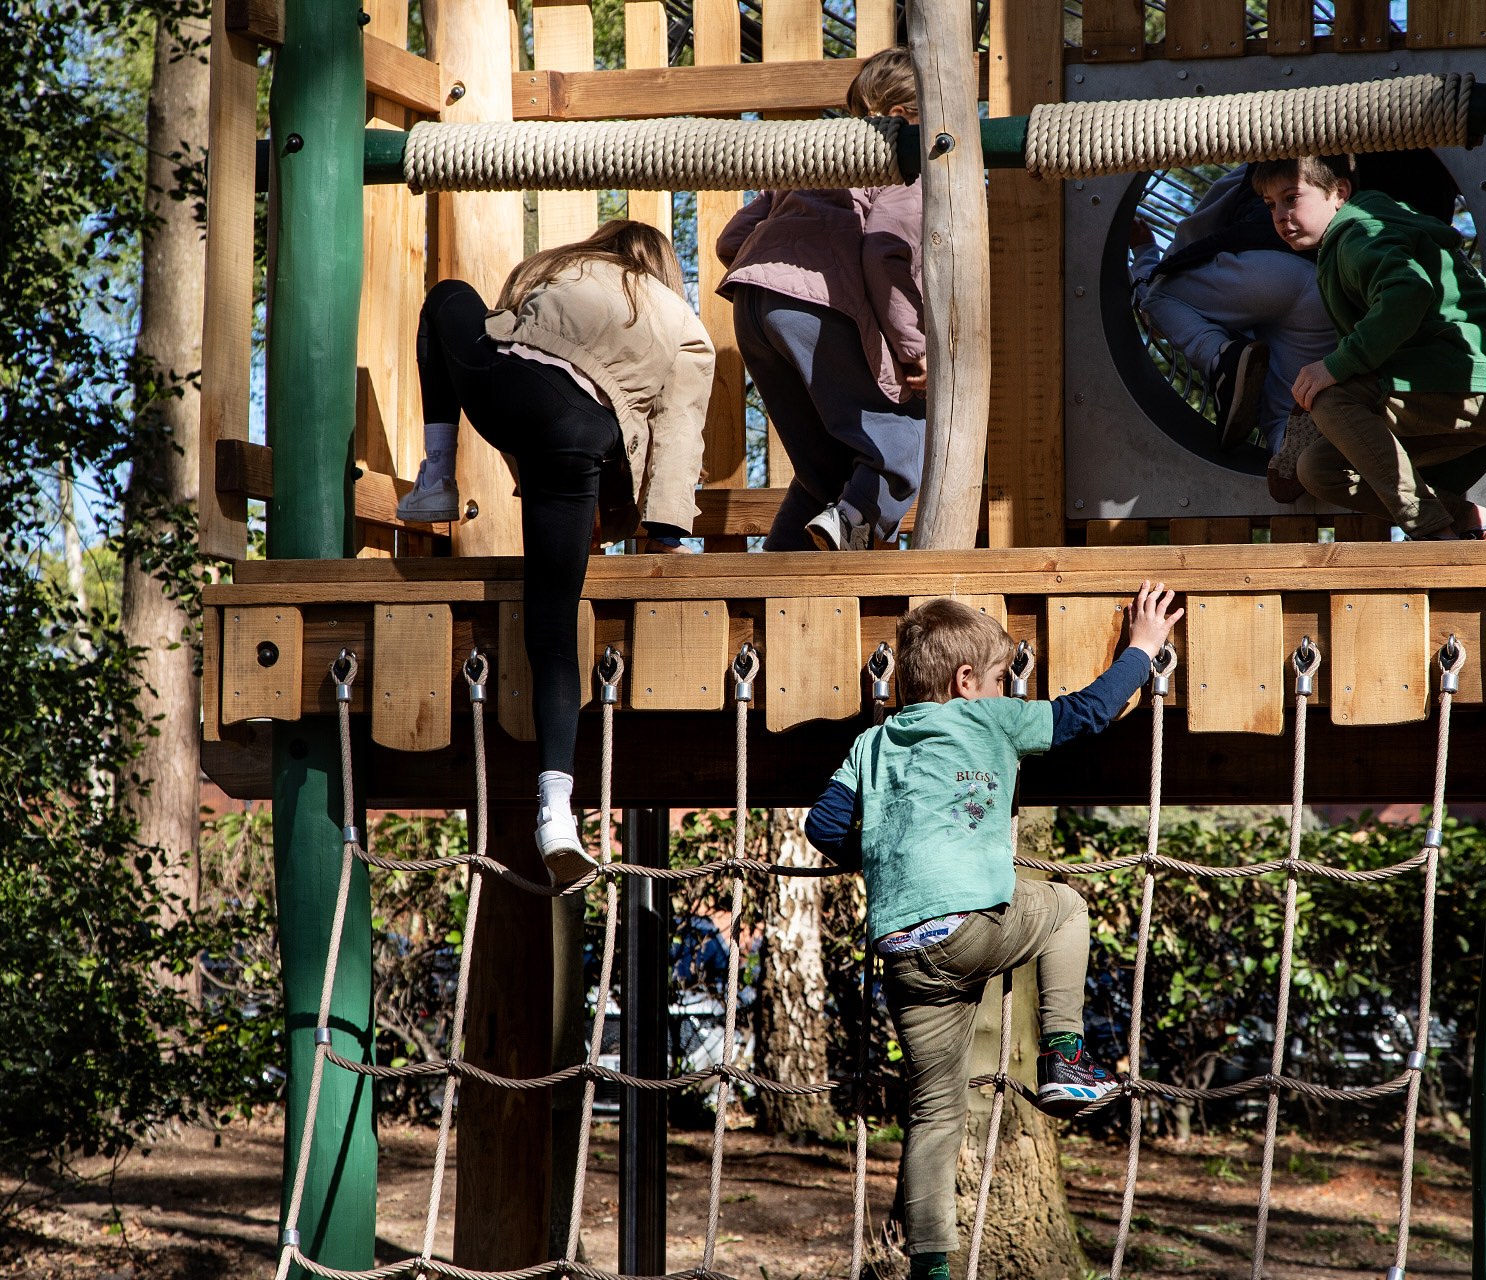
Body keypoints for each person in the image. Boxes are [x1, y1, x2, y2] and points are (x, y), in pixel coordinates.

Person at [803, 586, 1184, 1280]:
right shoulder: (990, 720)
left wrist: (894, 857)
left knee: (934, 1112)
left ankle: (931, 1267)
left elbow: (823, 826)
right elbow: (1087, 713)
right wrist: (1142, 647)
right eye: (1004, 677)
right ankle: (1065, 1057)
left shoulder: (871, 742)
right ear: (967, 682)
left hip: (901, 953)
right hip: (970, 930)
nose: (1010, 687)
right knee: (1065, 908)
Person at [394, 220, 715, 881]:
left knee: (449, 294)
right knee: (553, 625)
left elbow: (509, 334)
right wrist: (664, 535)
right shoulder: (685, 324)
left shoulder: (560, 269)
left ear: (603, 247)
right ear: (661, 267)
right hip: (582, 435)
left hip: (508, 390)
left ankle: (436, 478)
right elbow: (677, 435)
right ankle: (558, 814)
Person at [716, 48, 927, 552]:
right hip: (815, 306)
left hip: (753, 305)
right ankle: (853, 524)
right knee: (898, 441)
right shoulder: (906, 159)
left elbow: (731, 240)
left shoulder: (820, 155)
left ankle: (784, 557)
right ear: (905, 118)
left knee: (827, 465)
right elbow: (883, 251)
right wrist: (915, 351)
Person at [1250, 154, 1486, 539]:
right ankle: (1470, 519)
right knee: (1319, 469)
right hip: (1449, 391)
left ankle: (1433, 535)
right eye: (1271, 205)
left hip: (1481, 379)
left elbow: (1409, 290)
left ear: (1338, 193)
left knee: (1331, 398)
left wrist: (1337, 365)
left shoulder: (1355, 236)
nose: (1281, 215)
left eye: (1292, 197)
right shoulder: (1357, 235)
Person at [1128, 164, 1337, 501]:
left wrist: (1145, 254)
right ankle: (1300, 458)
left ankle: (1221, 359)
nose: (1279, 211)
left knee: (1160, 297)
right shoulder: (1327, 177)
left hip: (1265, 271)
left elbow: (1194, 234)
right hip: (1324, 289)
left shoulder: (1252, 175)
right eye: (1272, 204)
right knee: (1289, 409)